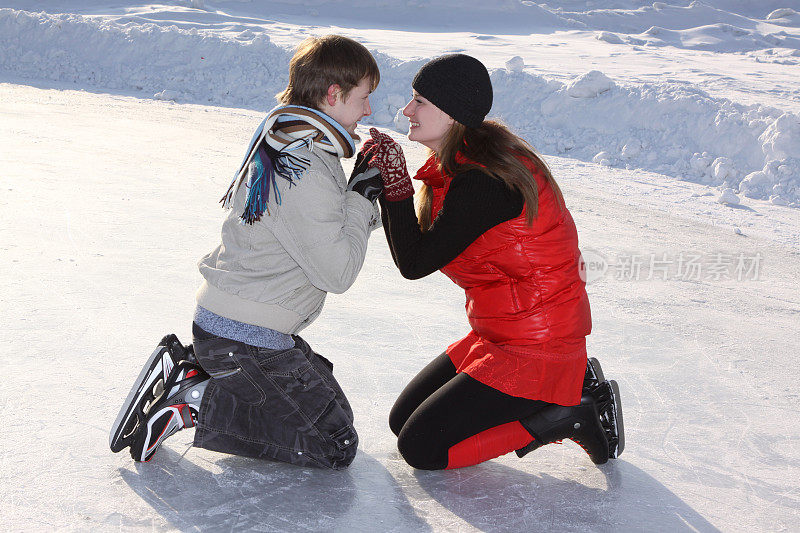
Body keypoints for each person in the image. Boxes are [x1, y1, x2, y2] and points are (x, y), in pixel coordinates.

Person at [110, 35, 386, 469]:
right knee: (334, 443)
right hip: (244, 338)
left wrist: (363, 198)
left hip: (239, 326)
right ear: (333, 95)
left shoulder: (291, 144)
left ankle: (200, 375)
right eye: (363, 98)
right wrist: (361, 195)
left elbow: (326, 228)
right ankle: (195, 404)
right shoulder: (304, 166)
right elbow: (338, 273)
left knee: (331, 408)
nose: (368, 110)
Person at [361, 54, 624, 470]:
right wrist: (391, 185)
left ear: (453, 114)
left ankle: (565, 413)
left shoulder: (484, 182)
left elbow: (415, 262)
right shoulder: (465, 163)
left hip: (537, 346)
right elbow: (421, 250)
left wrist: (395, 186)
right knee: (401, 422)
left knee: (422, 449)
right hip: (503, 333)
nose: (406, 111)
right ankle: (568, 392)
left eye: (420, 101)